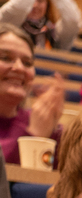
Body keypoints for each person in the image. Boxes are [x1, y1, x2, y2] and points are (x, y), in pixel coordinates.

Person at [0, 28, 62, 165]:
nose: (19, 68)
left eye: (27, 63)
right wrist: (34, 137)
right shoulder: (39, 128)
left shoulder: (44, 124)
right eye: (5, 58)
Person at [0, 0, 81, 52]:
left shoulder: (54, 32)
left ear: (47, 5)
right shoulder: (10, 26)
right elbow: (17, 8)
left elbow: (73, 20)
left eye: (39, 1)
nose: (34, 5)